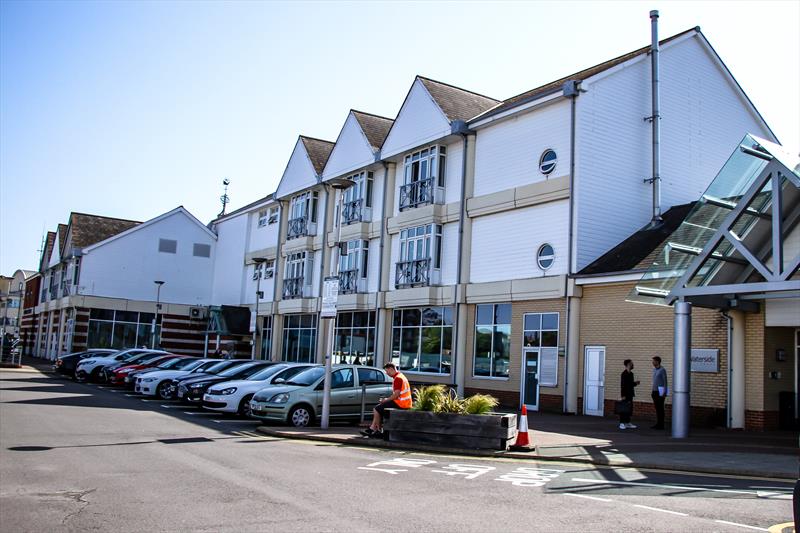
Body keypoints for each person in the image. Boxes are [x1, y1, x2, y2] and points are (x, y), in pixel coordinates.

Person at [360, 362, 412, 438]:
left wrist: (386, 400)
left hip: (401, 403)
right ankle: (373, 428)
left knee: (376, 409)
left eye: (387, 371)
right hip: (405, 403)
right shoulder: (401, 376)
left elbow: (396, 394)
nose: (387, 373)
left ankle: (378, 430)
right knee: (379, 408)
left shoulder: (398, 378)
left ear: (391, 369)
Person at [619, 359, 639, 430]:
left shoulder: (631, 374)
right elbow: (623, 385)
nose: (633, 365)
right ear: (628, 365)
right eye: (631, 363)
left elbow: (630, 384)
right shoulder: (624, 374)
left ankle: (627, 423)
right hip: (625, 394)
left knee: (629, 409)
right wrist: (623, 395)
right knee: (623, 409)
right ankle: (621, 423)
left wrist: (635, 383)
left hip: (630, 394)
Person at [651, 356, 668, 430]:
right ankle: (658, 423)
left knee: (660, 408)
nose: (652, 362)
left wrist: (665, 392)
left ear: (658, 361)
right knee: (657, 408)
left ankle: (661, 425)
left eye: (654, 361)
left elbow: (665, 381)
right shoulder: (654, 370)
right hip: (654, 391)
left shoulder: (662, 370)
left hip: (660, 391)